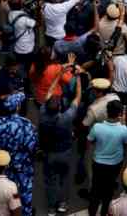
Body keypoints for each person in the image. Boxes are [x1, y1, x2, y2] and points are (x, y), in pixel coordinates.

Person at [40, 61, 82, 215]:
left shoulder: (43, 115)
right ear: (59, 108)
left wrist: (59, 74)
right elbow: (77, 97)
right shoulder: (66, 118)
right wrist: (77, 77)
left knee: (50, 180)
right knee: (64, 179)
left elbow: (50, 91)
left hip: (49, 153)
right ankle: (62, 204)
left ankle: (51, 207)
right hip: (64, 152)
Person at [0, 92, 38, 216]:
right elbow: (32, 147)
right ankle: (26, 212)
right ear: (17, 107)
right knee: (25, 190)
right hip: (23, 164)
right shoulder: (26, 124)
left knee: (9, 191)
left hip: (5, 164)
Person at [87, 99, 127, 216]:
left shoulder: (97, 127)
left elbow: (90, 141)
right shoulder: (123, 129)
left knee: (95, 190)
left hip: (98, 163)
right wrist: (124, 124)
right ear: (120, 114)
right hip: (115, 164)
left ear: (107, 112)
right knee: (108, 191)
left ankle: (92, 212)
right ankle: (104, 212)